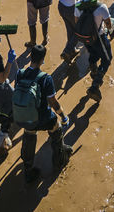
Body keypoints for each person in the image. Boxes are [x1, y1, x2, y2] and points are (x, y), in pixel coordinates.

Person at [16, 44, 72, 183]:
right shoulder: (45, 78)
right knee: (56, 129)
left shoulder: (20, 73)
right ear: (42, 60)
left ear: (31, 57)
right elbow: (53, 102)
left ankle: (28, 168)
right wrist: (63, 116)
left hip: (27, 116)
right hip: (44, 117)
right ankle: (60, 159)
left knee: (29, 134)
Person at [74, 0, 114, 101]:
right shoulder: (101, 7)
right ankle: (95, 86)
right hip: (99, 37)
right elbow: (108, 24)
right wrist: (109, 30)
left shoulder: (78, 4)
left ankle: (94, 69)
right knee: (107, 59)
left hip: (85, 38)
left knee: (93, 53)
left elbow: (77, 22)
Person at [58, 0, 88, 64]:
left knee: (69, 29)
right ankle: (66, 51)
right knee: (78, 31)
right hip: (71, 9)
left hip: (61, 7)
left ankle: (72, 50)